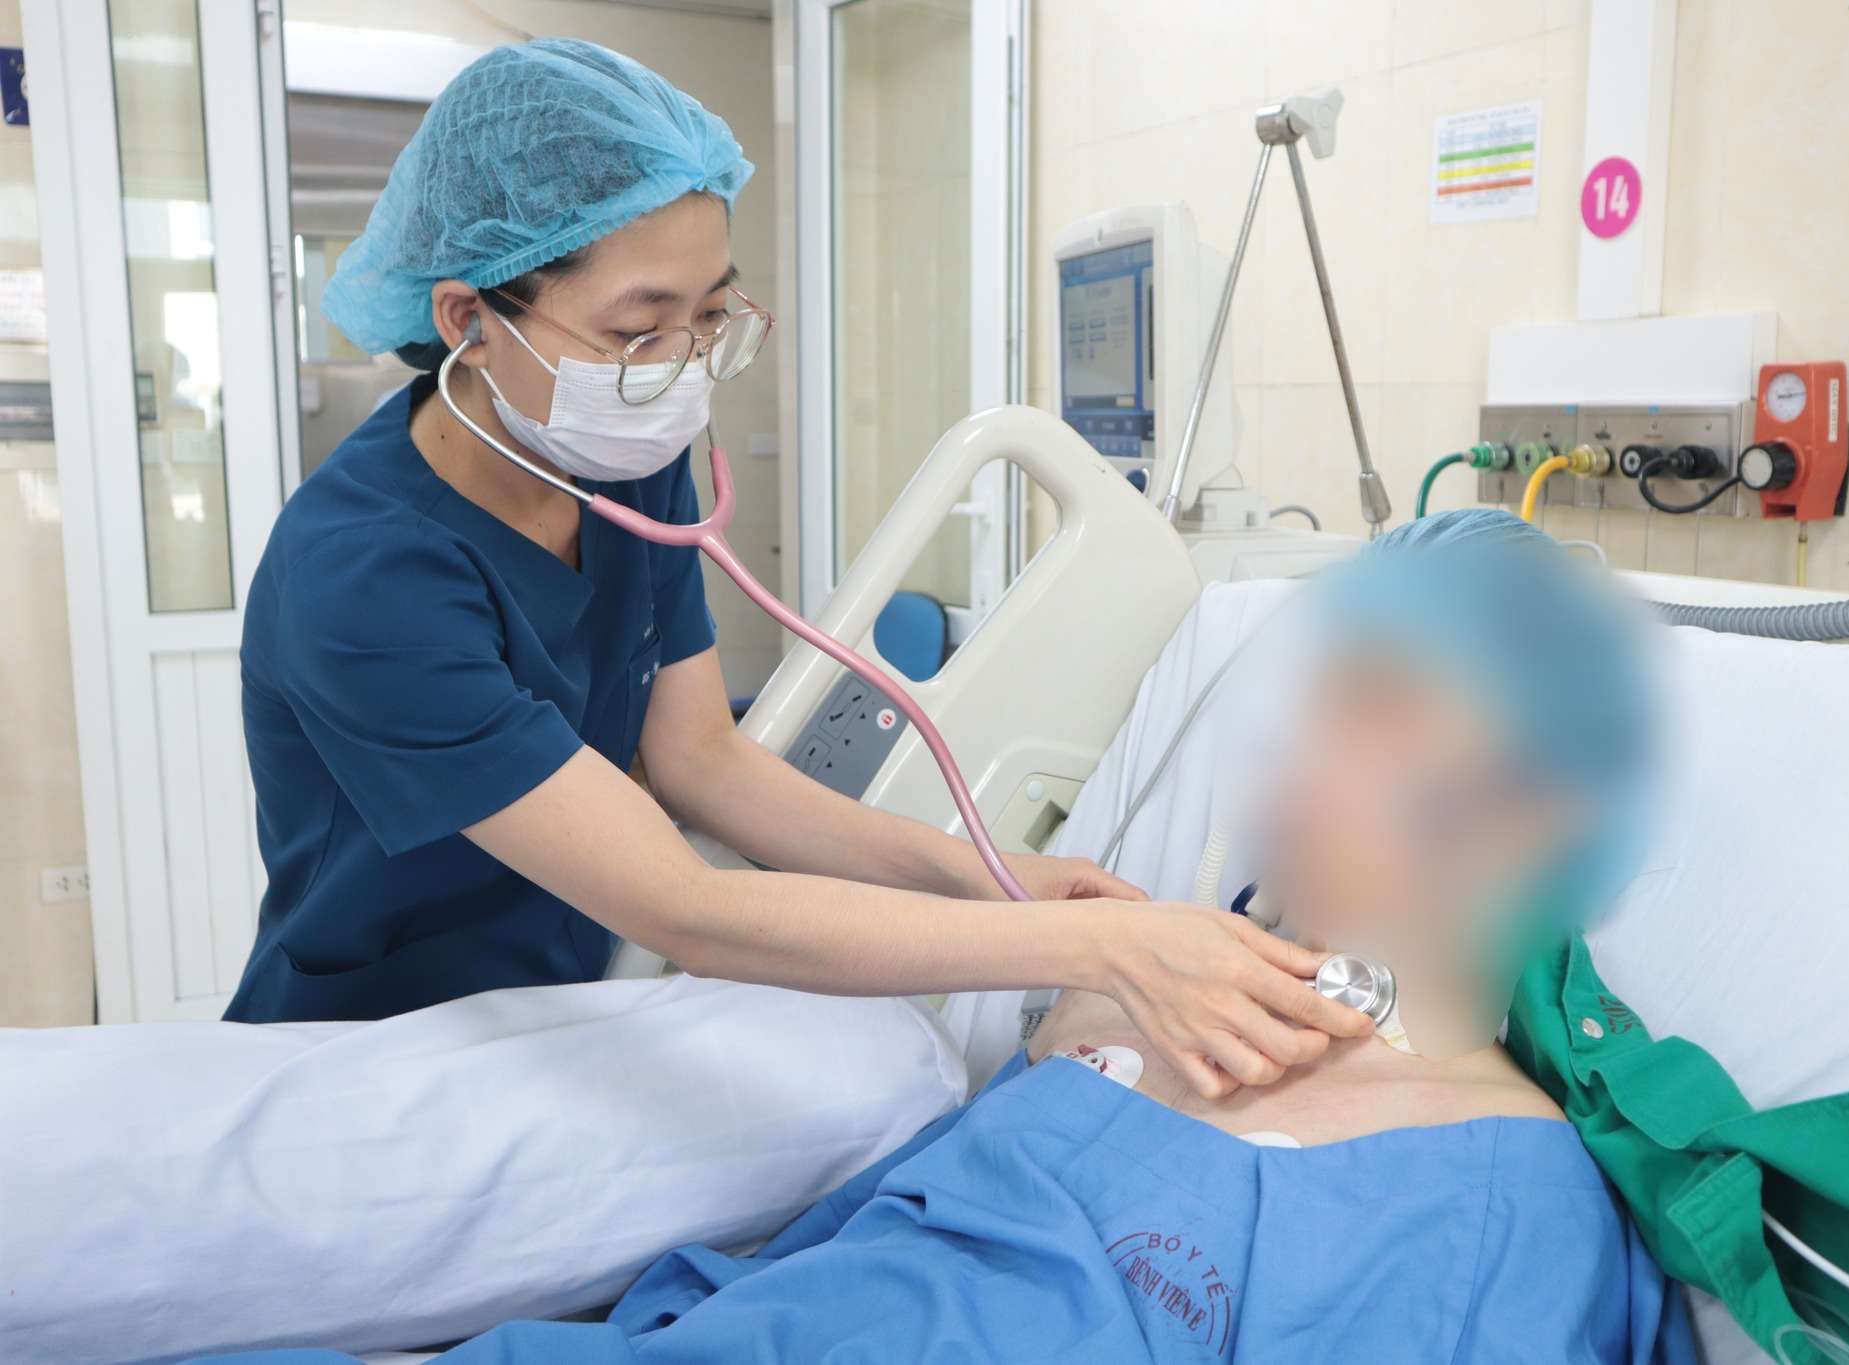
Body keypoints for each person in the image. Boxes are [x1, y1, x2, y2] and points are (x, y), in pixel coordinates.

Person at [204, 512, 1695, 1363]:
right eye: (1318, 703)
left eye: (1382, 720)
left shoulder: (1499, 1199)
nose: (1298, 763)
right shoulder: (1108, 1029)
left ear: (1536, 815)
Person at [225, 37, 1366, 1100]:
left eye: (709, 315)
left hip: (562, 1015)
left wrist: (983, 872)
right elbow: (684, 907)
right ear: (469, 320)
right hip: (372, 1052)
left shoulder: (621, 463)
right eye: (637, 331)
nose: (679, 370)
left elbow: (701, 763)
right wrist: (1098, 946)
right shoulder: (363, 578)